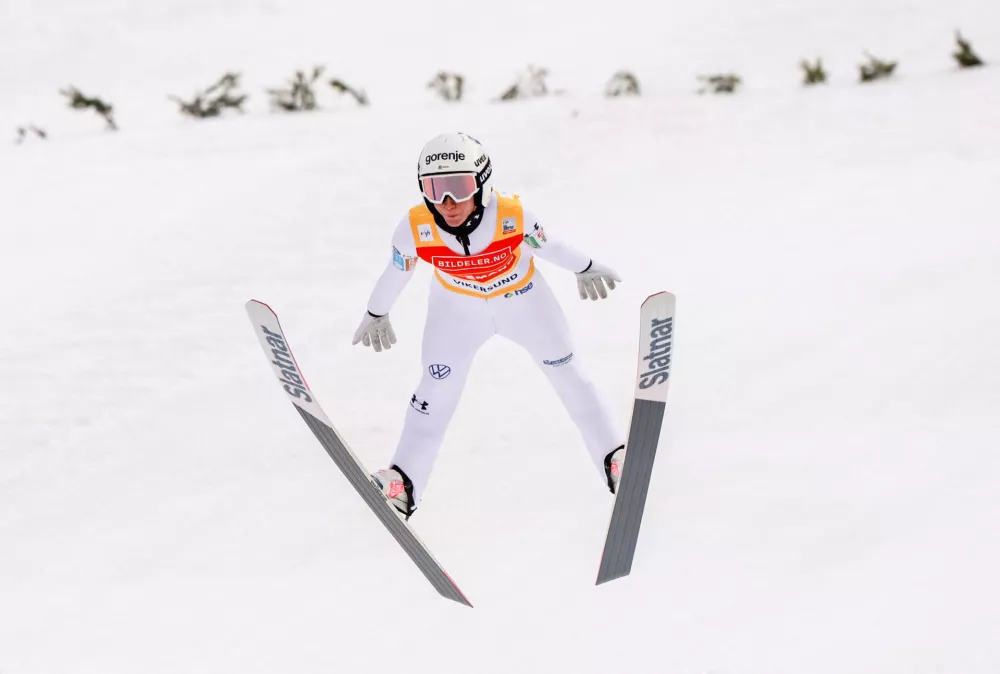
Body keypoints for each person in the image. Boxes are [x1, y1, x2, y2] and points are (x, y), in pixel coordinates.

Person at [353, 132, 625, 519]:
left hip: (524, 302)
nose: (447, 203)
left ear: (481, 184)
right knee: (435, 389)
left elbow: (551, 246)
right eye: (434, 190)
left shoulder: (512, 214)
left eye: (459, 187)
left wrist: (586, 266)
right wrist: (376, 311)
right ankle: (403, 483)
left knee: (569, 375)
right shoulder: (415, 227)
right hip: (456, 311)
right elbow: (397, 272)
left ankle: (614, 458)